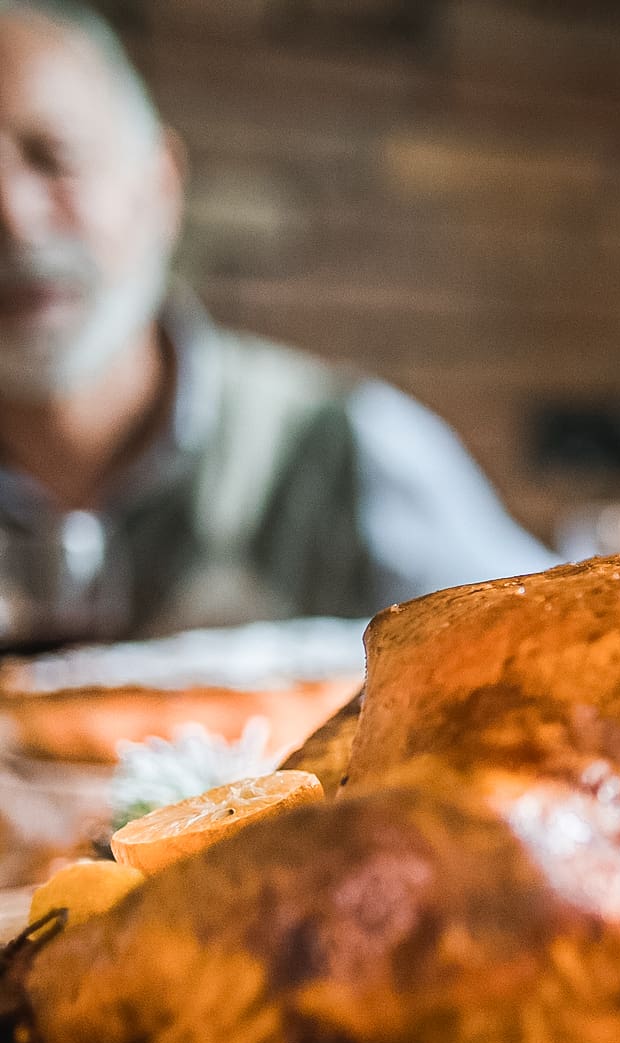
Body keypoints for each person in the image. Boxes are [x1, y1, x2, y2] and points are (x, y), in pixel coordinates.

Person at [0, 0, 552, 647]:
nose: (13, 216)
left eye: (53, 156)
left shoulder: (350, 453)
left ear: (161, 186)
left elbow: (562, 676)